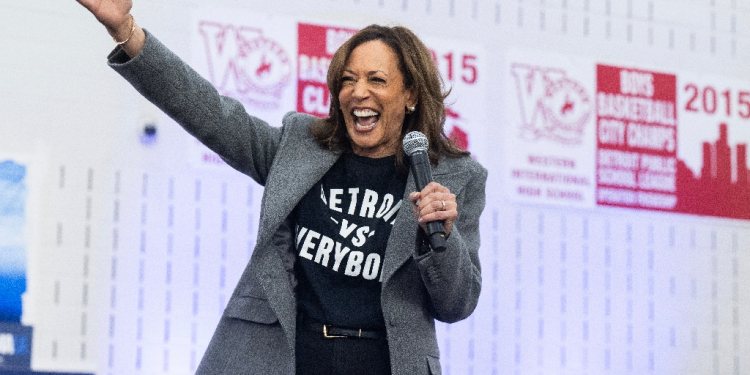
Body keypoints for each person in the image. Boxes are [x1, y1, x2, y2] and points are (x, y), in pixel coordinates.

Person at [75, 0, 487, 374]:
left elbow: (456, 304)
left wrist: (442, 239)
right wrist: (127, 31)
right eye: (347, 79)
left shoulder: (454, 178)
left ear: (411, 93)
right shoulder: (300, 145)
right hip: (287, 356)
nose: (358, 92)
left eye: (376, 79)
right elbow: (212, 114)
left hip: (385, 362)